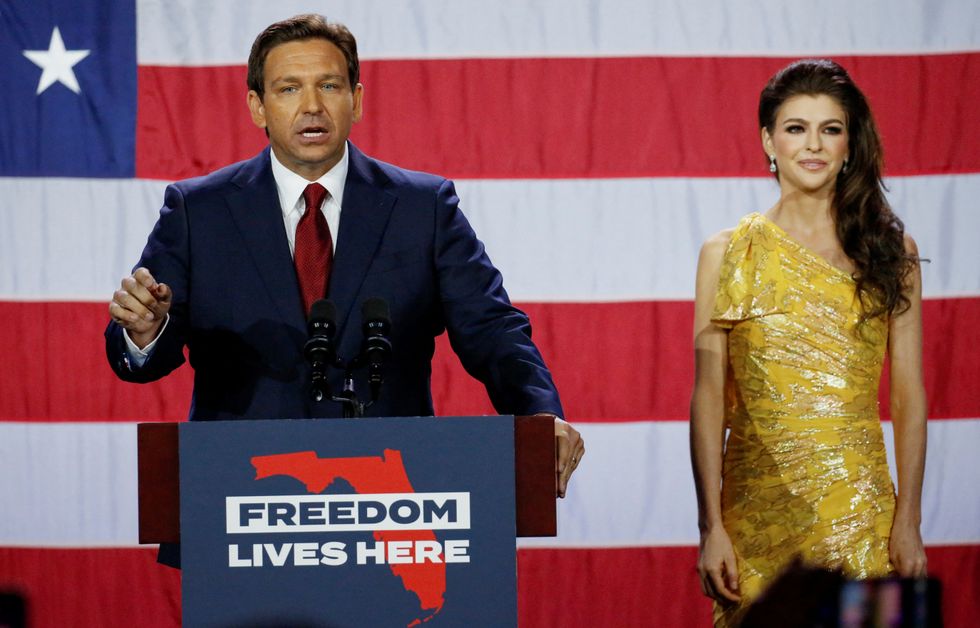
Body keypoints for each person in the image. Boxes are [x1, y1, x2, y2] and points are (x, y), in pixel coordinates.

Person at [106, 15, 583, 493]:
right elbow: (143, 345)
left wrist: (539, 415)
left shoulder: (424, 207)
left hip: (390, 496)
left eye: (329, 85)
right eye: (289, 89)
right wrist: (146, 332)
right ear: (258, 106)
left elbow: (491, 329)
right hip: (241, 494)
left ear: (356, 99)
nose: (311, 106)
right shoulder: (197, 210)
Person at [689, 59, 927, 626]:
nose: (813, 144)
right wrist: (710, 528)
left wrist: (909, 521)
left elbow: (908, 397)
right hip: (753, 514)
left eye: (831, 128)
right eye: (796, 128)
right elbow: (707, 398)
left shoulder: (894, 252)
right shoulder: (727, 252)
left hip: (860, 508)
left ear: (850, 144)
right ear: (768, 140)